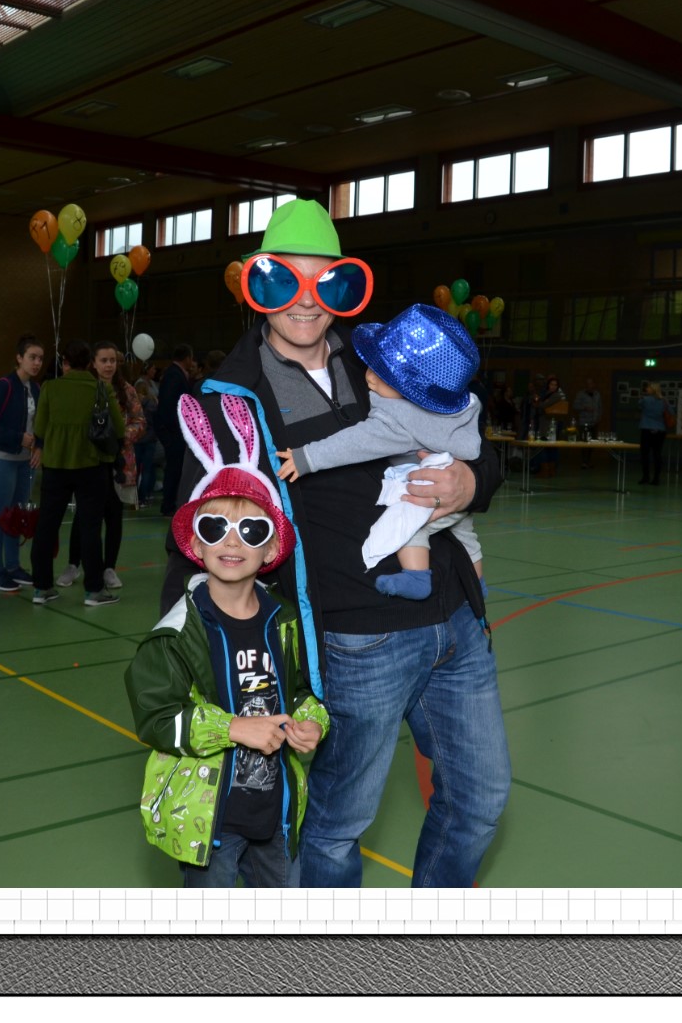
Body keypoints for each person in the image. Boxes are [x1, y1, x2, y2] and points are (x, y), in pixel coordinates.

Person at [160, 199, 507, 889]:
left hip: (453, 620)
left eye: (325, 281)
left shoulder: (380, 359)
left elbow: (466, 438)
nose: (305, 300)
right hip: (356, 640)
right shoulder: (233, 397)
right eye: (283, 280)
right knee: (336, 829)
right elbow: (201, 526)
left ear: (345, 286)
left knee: (481, 800)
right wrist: (182, 643)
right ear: (256, 287)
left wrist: (472, 481)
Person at [127, 411, 326, 888]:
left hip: (275, 813)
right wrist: (234, 728)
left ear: (270, 549)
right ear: (197, 544)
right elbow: (157, 717)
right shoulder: (177, 632)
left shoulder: (285, 620)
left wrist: (312, 723)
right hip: (208, 819)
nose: (232, 541)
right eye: (215, 527)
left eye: (251, 531)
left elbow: (301, 691)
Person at [275, 303, 484, 602]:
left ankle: (416, 577)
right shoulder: (462, 405)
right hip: (453, 482)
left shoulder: (399, 422)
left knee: (409, 526)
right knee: (466, 533)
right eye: (372, 367)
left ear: (413, 391)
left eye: (384, 376)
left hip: (426, 488)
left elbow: (356, 443)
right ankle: (478, 584)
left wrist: (306, 457)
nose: (370, 377)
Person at [29, 338, 124, 607]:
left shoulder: (50, 388)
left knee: (47, 526)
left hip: (55, 466)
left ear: (65, 362)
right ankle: (93, 590)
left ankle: (41, 587)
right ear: (90, 363)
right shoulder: (101, 389)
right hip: (91, 467)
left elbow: (39, 428)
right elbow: (118, 428)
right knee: (90, 528)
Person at [56, 339, 145, 588]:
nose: (109, 365)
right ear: (93, 363)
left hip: (119, 462)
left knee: (113, 516)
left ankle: (109, 568)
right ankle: (73, 564)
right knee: (84, 516)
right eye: (103, 360)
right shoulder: (87, 389)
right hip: (89, 460)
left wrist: (120, 436)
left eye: (112, 361)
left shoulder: (126, 390)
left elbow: (139, 421)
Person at [0, 336, 44, 592]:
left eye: (40, 358)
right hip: (3, 459)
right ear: (19, 358)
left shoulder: (36, 389)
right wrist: (18, 438)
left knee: (18, 515)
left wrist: (39, 446)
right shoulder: (3, 387)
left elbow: (41, 424)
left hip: (26, 461)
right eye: (32, 357)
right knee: (0, 514)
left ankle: (14, 566)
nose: (36, 363)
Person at [155, 344, 198, 515]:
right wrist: (172, 431)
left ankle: (171, 502)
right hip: (174, 431)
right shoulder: (174, 375)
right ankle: (169, 504)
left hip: (174, 430)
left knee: (176, 468)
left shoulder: (174, 374)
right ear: (187, 358)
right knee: (174, 468)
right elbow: (168, 405)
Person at [134, 370, 161, 508]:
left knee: (136, 470)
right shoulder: (152, 404)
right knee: (147, 470)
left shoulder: (134, 405)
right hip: (150, 440)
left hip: (137, 439)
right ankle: (144, 496)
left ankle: (134, 498)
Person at [637, 381, 668, 486]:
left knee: (645, 454)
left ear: (652, 389)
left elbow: (639, 406)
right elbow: (671, 412)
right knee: (657, 454)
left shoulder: (645, 400)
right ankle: (656, 478)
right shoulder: (664, 401)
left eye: (648, 388)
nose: (646, 389)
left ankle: (645, 477)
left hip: (646, 428)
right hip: (660, 430)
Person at [572, 377, 603, 467]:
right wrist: (584, 408)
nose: (589, 385)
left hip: (594, 422)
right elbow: (575, 406)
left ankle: (589, 461)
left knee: (592, 442)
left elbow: (600, 407)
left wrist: (599, 417)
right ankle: (584, 462)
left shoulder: (597, 394)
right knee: (584, 442)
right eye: (588, 383)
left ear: (594, 384)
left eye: (591, 383)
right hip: (584, 422)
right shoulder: (580, 394)